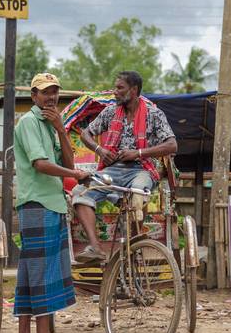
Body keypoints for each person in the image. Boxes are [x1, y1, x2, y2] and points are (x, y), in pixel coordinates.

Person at [13, 72, 90, 333]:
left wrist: (61, 129)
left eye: (54, 91)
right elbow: (42, 164)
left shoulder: (49, 124)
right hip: (38, 203)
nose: (51, 97)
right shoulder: (30, 123)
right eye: (45, 92)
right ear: (34, 96)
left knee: (31, 275)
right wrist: (75, 175)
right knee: (44, 275)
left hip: (51, 203)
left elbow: (68, 160)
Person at [72, 71, 178, 263]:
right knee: (80, 193)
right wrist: (100, 150)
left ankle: (134, 245)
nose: (115, 92)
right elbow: (85, 133)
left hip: (143, 169)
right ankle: (95, 248)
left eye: (120, 88)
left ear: (134, 90)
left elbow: (172, 145)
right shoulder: (111, 112)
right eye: (115, 87)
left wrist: (138, 153)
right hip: (112, 170)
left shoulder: (154, 114)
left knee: (138, 195)